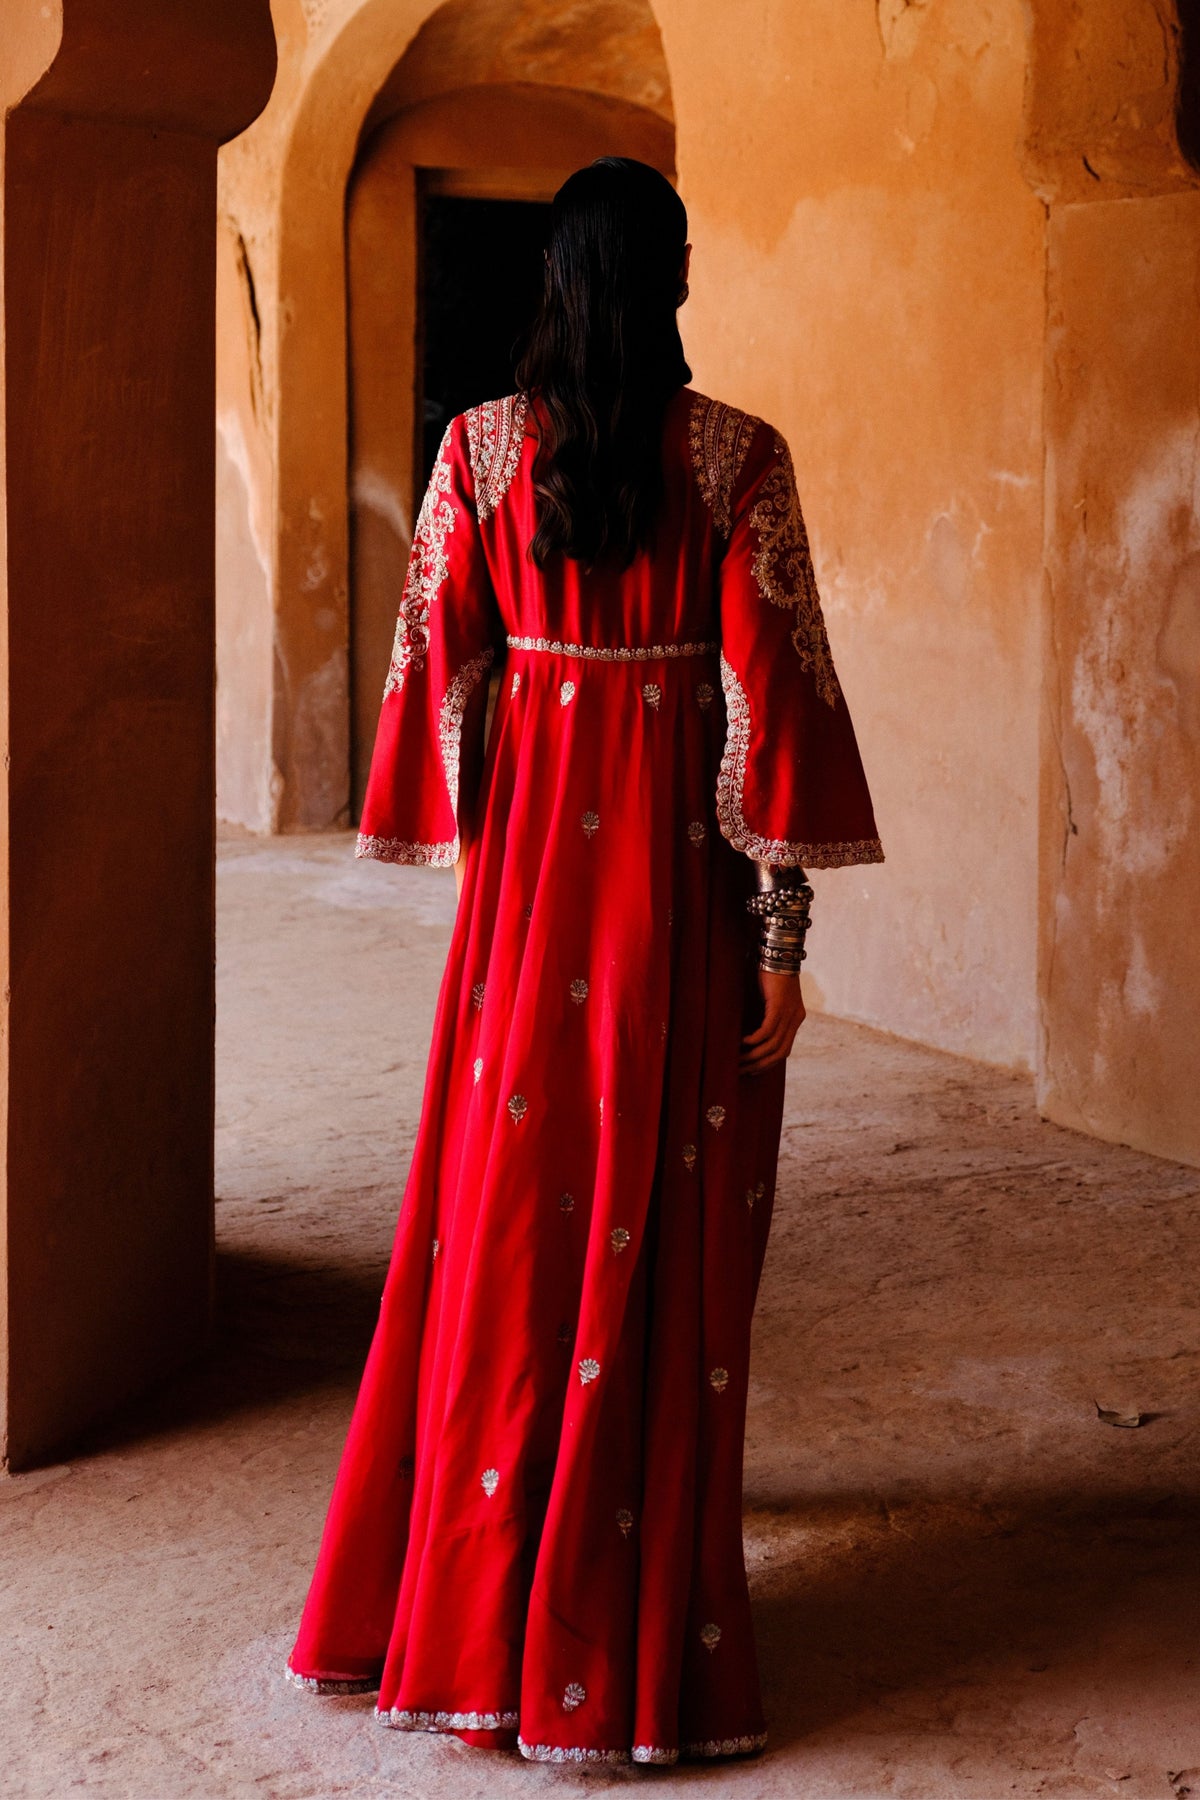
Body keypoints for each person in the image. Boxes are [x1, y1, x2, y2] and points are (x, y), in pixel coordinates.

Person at [286, 156, 882, 1765]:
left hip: (526, 921)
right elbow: (782, 727)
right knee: (665, 1232)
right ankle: (630, 1632)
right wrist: (785, 945)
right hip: (676, 916)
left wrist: (508, 809)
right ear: (677, 275)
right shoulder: (741, 460)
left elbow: (434, 680)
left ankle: (472, 1621)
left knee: (496, 1233)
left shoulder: (476, 453)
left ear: (551, 279)